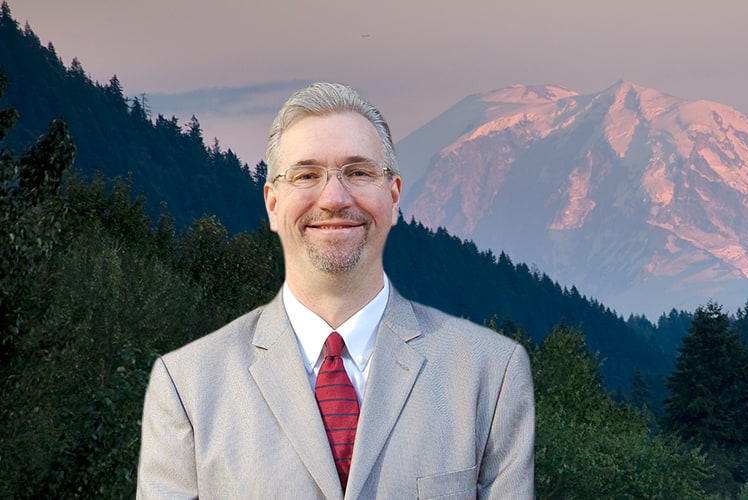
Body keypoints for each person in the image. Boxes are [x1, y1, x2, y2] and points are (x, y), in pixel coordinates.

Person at [137, 82, 534, 499]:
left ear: (394, 196)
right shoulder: (186, 386)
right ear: (272, 204)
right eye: (307, 175)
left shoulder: (491, 373)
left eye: (358, 173)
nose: (333, 197)